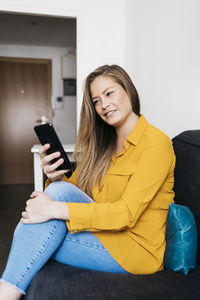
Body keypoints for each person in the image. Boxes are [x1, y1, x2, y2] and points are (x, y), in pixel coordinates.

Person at [0, 65, 175, 299]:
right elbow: (74, 189)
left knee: (33, 229)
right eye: (96, 100)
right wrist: (55, 176)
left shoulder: (156, 144)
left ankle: (6, 292)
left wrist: (53, 208)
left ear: (128, 91)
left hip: (136, 251)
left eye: (109, 93)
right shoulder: (105, 145)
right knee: (49, 206)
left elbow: (126, 214)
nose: (103, 105)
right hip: (103, 233)